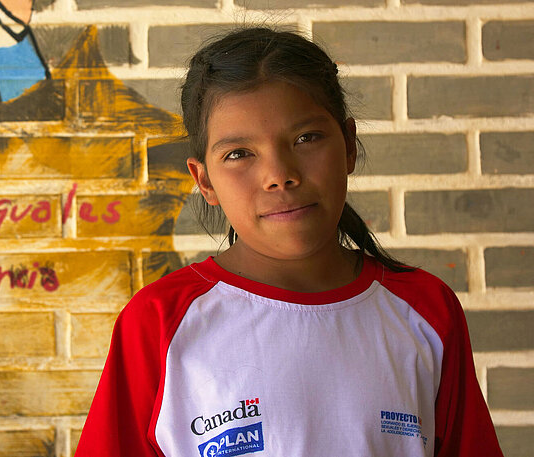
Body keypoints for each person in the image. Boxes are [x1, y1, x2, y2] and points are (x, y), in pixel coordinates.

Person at [75, 28, 503, 457]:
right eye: (239, 153)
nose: (279, 174)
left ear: (349, 145)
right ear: (204, 180)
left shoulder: (426, 310)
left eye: (306, 138)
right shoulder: (158, 323)